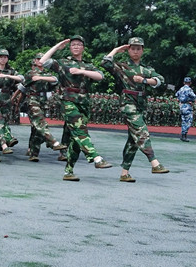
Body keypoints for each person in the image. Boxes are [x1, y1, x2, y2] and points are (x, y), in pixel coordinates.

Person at [40, 36, 112, 181]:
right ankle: (95, 157)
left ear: (83, 48)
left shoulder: (88, 65)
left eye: (79, 44)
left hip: (84, 102)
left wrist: (82, 72)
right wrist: (57, 45)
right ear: (70, 47)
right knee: (80, 131)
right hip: (68, 101)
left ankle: (69, 170)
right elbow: (42, 61)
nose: (76, 47)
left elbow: (100, 76)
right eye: (73, 45)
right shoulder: (63, 63)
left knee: (76, 138)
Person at [101, 37, 169, 183]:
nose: (136, 51)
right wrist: (118, 50)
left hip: (140, 104)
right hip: (127, 103)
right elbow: (105, 62)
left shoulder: (146, 69)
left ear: (142, 50)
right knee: (142, 131)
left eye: (139, 48)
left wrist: (144, 80)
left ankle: (124, 173)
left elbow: (160, 81)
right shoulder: (122, 66)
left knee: (133, 140)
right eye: (133, 48)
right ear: (128, 50)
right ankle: (154, 163)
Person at [175, 77, 196, 142]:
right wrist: (190, 100)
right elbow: (194, 96)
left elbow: (176, 95)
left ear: (184, 82)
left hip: (182, 106)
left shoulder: (181, 89)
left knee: (183, 120)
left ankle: (183, 135)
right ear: (190, 83)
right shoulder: (189, 89)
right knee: (189, 121)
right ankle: (184, 134)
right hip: (187, 106)